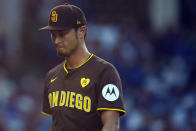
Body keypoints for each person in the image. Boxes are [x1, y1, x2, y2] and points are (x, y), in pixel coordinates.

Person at [40, 3, 125, 131]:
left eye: (62, 34)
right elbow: (56, 124)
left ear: (82, 31)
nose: (57, 41)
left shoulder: (105, 72)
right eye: (53, 34)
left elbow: (112, 124)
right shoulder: (51, 76)